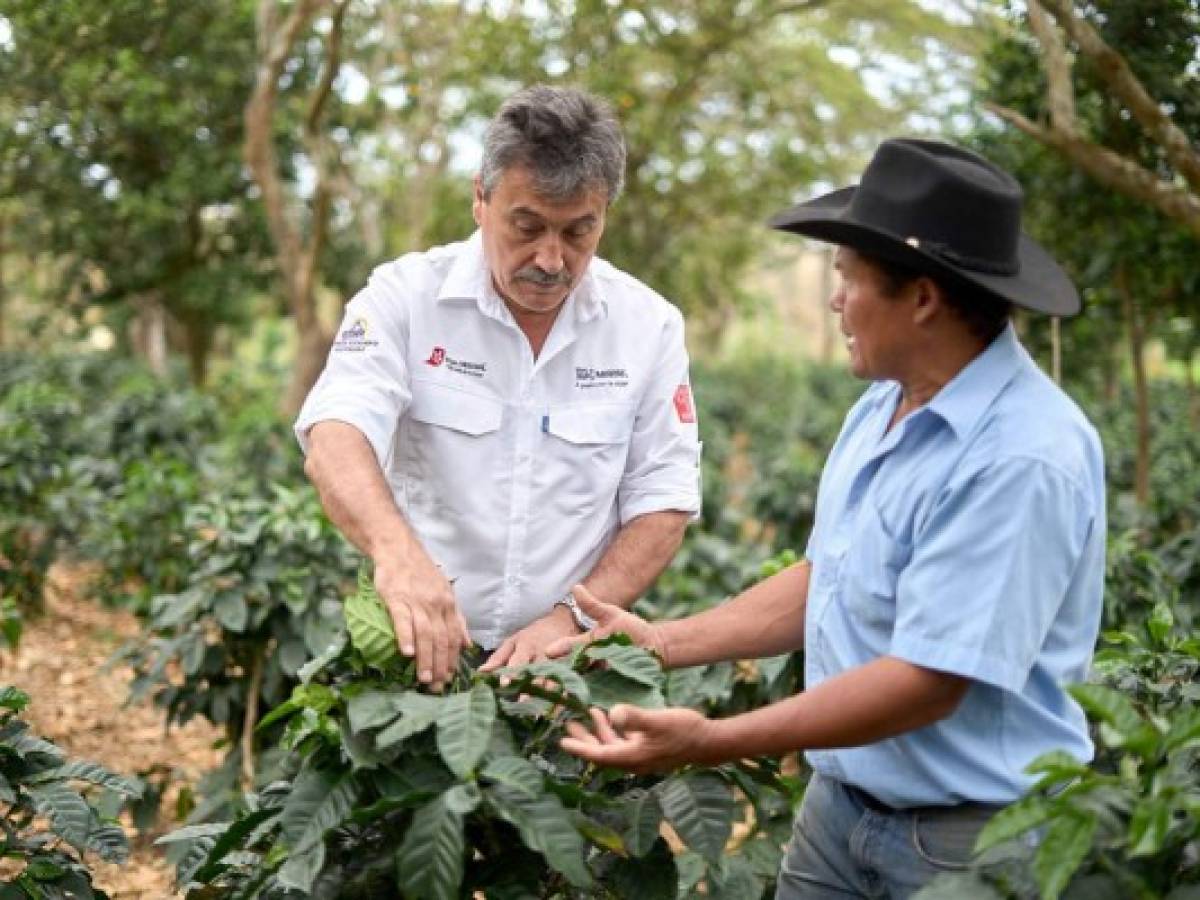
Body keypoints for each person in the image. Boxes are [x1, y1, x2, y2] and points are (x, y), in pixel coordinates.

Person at [554, 138, 1105, 898]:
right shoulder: (886, 399)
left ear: (922, 299)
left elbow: (927, 682)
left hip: (968, 842)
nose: (834, 300)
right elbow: (829, 578)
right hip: (840, 813)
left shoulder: (1023, 455)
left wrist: (710, 742)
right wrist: (659, 644)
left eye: (848, 279)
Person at [295, 85, 701, 692]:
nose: (551, 258)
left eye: (577, 233)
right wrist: (398, 556)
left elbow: (663, 500)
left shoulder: (649, 327)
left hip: (568, 665)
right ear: (480, 200)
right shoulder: (403, 297)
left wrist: (569, 617)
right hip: (418, 657)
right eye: (528, 225)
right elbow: (336, 432)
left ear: (604, 216)